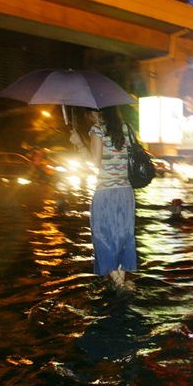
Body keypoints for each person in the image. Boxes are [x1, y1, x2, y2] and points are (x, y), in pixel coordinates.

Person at [70, 107, 138, 290]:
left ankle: (118, 282)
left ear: (94, 112)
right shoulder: (126, 128)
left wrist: (79, 144)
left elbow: (94, 163)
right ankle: (122, 281)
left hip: (106, 193)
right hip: (126, 193)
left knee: (103, 237)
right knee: (124, 237)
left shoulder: (97, 129)